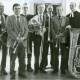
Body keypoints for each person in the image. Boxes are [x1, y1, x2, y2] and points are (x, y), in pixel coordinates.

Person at [6, 3, 28, 79]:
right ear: (13, 10)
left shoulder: (24, 18)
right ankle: (12, 74)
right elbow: (9, 30)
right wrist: (17, 38)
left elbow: (26, 30)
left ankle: (22, 72)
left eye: (19, 8)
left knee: (22, 59)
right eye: (16, 9)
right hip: (13, 43)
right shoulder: (9, 18)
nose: (18, 10)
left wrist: (23, 38)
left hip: (22, 42)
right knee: (13, 59)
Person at [51, 6, 69, 74]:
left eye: (60, 10)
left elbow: (67, 29)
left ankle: (63, 69)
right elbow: (51, 28)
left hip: (63, 39)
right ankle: (55, 69)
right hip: (55, 39)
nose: (59, 11)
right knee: (55, 54)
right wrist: (55, 35)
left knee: (63, 54)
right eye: (58, 10)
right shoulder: (52, 18)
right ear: (56, 11)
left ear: (62, 10)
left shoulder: (66, 19)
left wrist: (61, 35)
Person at [28, 4, 46, 74]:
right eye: (40, 8)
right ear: (37, 9)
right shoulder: (33, 17)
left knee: (43, 53)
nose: (41, 9)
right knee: (36, 53)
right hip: (36, 37)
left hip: (44, 37)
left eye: (42, 8)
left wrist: (44, 29)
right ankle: (36, 68)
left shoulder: (46, 17)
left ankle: (42, 67)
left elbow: (48, 26)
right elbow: (29, 26)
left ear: (44, 9)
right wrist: (35, 30)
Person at [40, 5, 54, 73]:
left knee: (53, 52)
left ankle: (53, 64)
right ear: (46, 9)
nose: (50, 10)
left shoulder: (54, 17)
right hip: (45, 37)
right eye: (49, 8)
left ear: (52, 9)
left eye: (51, 8)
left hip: (52, 37)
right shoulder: (44, 16)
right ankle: (44, 65)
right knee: (44, 52)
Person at [21, 3, 34, 72]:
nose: (25, 9)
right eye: (24, 8)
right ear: (22, 9)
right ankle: (22, 66)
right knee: (22, 52)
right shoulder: (19, 16)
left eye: (26, 8)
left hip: (29, 37)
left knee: (29, 52)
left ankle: (29, 66)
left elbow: (33, 26)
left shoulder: (30, 16)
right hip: (22, 37)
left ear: (28, 9)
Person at [0, 2, 8, 75]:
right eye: (0, 6)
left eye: (2, 6)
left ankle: (3, 69)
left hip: (5, 38)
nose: (1, 8)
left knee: (4, 54)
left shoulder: (7, 16)